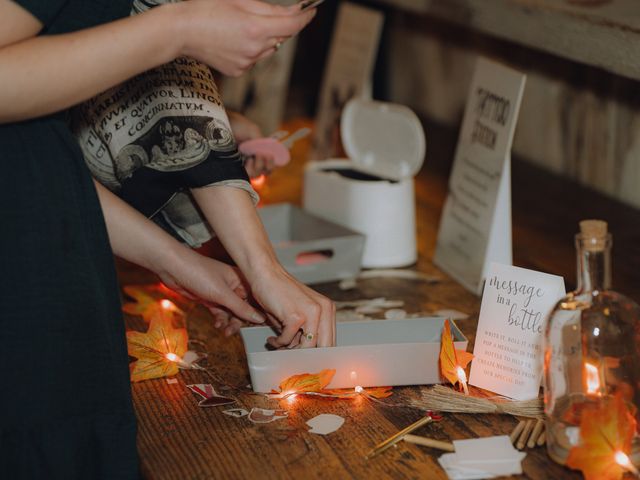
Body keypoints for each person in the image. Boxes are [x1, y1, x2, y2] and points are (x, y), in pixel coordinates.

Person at [0, 0, 333, 477]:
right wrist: (177, 30)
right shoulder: (173, 20)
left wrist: (183, 265)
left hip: (50, 244)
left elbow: (40, 154)